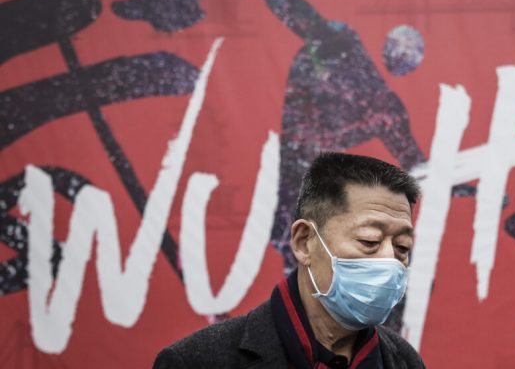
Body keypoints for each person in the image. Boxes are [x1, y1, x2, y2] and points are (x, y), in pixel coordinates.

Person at [153, 152, 425, 368]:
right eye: (370, 241)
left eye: (402, 247)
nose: (390, 259)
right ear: (304, 241)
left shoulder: (404, 361)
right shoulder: (197, 361)